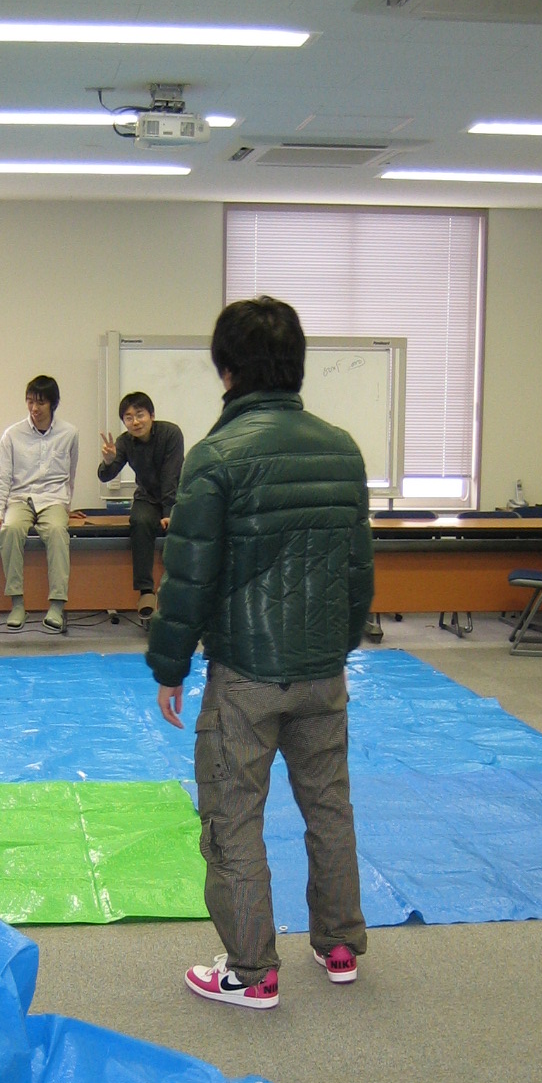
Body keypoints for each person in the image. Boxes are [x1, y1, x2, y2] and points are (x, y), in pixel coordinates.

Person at [147, 296, 374, 1011]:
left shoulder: (217, 456)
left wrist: (170, 666)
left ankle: (251, 971)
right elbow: (358, 569)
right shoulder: (342, 449)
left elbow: (189, 576)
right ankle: (340, 944)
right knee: (329, 807)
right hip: (322, 672)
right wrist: (334, 647)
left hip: (245, 675)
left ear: (227, 370)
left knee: (233, 815)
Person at [0, 375, 78, 633]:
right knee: (11, 529)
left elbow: (71, 473)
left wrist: (66, 505)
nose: (34, 408)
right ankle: (17, 604)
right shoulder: (12, 434)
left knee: (58, 532)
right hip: (20, 498)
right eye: (30, 401)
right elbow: (1, 476)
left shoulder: (69, 433)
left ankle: (57, 606)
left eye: (40, 403)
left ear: (53, 404)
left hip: (54, 499)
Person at [98, 391, 184, 621]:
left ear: (151, 415)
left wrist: (169, 512)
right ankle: (146, 592)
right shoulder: (124, 442)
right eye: (128, 418)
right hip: (147, 497)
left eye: (140, 415)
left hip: (178, 496)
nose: (135, 422)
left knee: (183, 530)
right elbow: (106, 476)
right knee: (139, 521)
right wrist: (108, 462)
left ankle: (180, 591)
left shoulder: (171, 434)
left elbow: (171, 476)